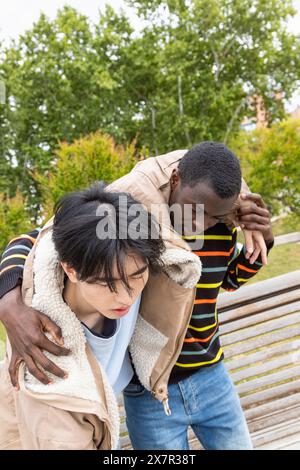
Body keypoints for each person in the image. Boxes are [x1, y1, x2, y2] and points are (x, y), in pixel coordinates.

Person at [0, 142, 273, 449]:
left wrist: (263, 242)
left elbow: (229, 281)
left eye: (213, 216)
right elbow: (43, 238)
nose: (200, 222)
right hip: (149, 391)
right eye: (195, 208)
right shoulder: (135, 218)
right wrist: (8, 301)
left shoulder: (220, 224)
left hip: (213, 376)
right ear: (174, 180)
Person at [0, 184, 168, 449]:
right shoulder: (45, 354)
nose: (125, 297)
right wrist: (9, 298)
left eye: (137, 276)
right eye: (106, 284)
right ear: (71, 270)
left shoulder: (133, 239)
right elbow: (36, 238)